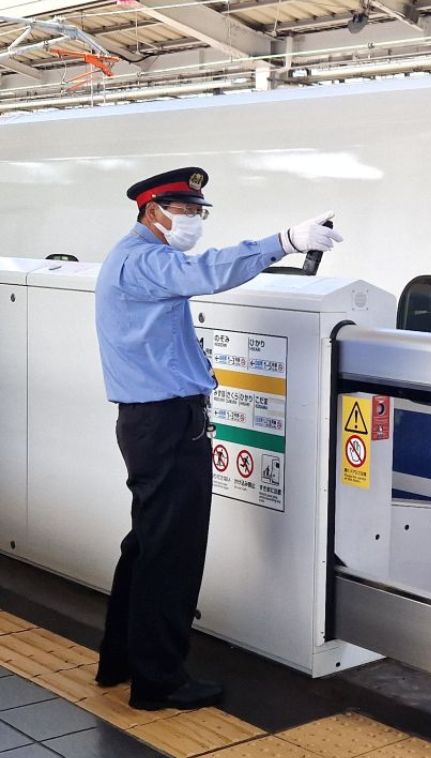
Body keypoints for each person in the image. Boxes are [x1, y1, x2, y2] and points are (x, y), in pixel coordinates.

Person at [93, 167, 342, 711]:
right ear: (151, 210)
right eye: (184, 210)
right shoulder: (144, 260)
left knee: (146, 546)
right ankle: (158, 682)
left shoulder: (131, 258)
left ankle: (121, 660)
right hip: (164, 425)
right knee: (172, 554)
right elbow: (208, 272)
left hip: (155, 421)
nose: (193, 220)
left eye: (198, 212)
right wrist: (285, 242)